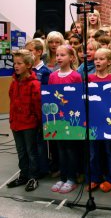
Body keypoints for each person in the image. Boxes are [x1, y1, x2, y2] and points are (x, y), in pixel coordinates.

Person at [49, 45, 82, 193]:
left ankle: (71, 178)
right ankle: (62, 177)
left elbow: (77, 98)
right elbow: (50, 96)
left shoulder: (75, 76)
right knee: (60, 149)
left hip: (71, 120)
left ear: (71, 58)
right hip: (57, 120)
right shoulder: (52, 76)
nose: (59, 58)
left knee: (71, 149)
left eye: (63, 55)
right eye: (57, 55)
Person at [86, 48, 111, 192]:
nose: (98, 61)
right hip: (94, 121)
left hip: (109, 122)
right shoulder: (90, 78)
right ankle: (95, 177)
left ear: (108, 61)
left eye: (101, 59)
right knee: (93, 152)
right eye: (96, 59)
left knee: (110, 151)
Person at [7, 49, 41, 192]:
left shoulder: (34, 84)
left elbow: (37, 106)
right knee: (21, 151)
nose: (16, 66)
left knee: (31, 151)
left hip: (29, 124)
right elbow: (11, 100)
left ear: (28, 65)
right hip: (16, 123)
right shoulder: (14, 83)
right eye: (15, 63)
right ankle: (24, 175)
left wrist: (38, 122)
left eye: (19, 63)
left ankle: (33, 177)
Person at [25, 39, 51, 178]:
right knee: (30, 142)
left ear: (39, 52)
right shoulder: (26, 70)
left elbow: (47, 94)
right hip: (28, 112)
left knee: (41, 142)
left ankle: (43, 168)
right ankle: (32, 166)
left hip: (41, 111)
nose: (28, 54)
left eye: (30, 51)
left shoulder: (45, 71)